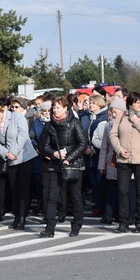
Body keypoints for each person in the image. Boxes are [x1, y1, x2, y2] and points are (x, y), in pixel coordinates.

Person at [38, 96, 88, 238]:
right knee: (52, 196)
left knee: (75, 196)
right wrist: (54, 153)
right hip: (55, 163)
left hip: (73, 164)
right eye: (54, 107)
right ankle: (49, 227)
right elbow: (43, 145)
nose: (55, 110)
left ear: (66, 108)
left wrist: (69, 158)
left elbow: (82, 143)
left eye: (58, 107)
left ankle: (77, 225)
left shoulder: (74, 123)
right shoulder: (50, 125)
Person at [109, 93, 140, 233]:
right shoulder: (121, 116)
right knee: (122, 190)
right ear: (130, 104)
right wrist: (119, 149)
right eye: (137, 102)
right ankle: (123, 222)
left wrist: (136, 121)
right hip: (123, 159)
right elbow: (113, 134)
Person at [0, 97, 38, 230]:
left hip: (24, 156)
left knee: (23, 188)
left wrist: (13, 152)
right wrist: (6, 153)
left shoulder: (17, 118)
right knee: (14, 188)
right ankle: (16, 216)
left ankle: (22, 217)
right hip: (10, 158)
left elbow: (23, 135)